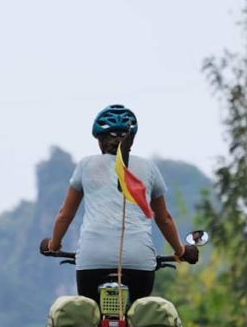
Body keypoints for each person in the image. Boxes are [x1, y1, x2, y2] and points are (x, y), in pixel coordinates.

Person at [42, 104, 198, 301]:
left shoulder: (85, 165)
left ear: (100, 141)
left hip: (92, 262)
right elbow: (164, 219)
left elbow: (65, 215)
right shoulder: (148, 168)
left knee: (90, 320)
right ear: (130, 140)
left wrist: (53, 245)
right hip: (139, 264)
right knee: (138, 320)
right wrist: (181, 251)